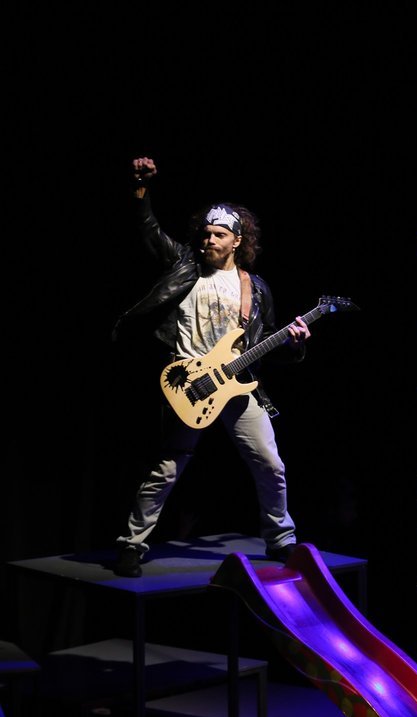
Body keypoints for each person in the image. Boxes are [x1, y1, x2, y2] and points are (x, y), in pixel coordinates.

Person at [111, 156, 309, 578]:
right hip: (188, 383)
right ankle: (131, 544)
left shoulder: (255, 287)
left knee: (270, 464)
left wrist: (294, 346)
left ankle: (281, 540)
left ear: (237, 240)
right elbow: (148, 232)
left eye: (219, 234)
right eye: (205, 233)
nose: (209, 240)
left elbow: (264, 345)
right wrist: (141, 191)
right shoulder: (184, 265)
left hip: (236, 386)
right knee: (167, 467)